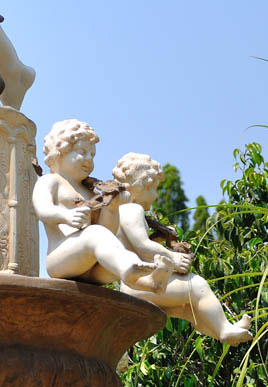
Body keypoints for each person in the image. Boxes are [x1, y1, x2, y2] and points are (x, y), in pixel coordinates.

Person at [113, 152, 252, 345]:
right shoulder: (131, 209)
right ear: (141, 186)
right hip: (138, 283)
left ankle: (224, 331)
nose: (156, 195)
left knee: (188, 309)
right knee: (197, 286)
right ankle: (224, 329)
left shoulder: (120, 212)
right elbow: (142, 247)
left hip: (133, 284)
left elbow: (137, 245)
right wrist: (172, 257)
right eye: (154, 188)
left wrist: (157, 238)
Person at [33, 119, 173, 291]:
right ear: (59, 152)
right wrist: (66, 216)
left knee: (122, 236)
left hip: (91, 269)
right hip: (61, 259)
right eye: (82, 152)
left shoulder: (91, 192)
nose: (88, 159)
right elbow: (42, 210)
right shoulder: (52, 181)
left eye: (92, 155)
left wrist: (112, 208)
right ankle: (129, 266)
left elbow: (107, 231)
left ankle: (150, 283)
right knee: (94, 233)